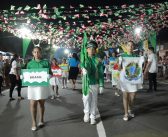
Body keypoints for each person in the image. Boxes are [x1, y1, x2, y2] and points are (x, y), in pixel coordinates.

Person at [27, 46, 51, 131]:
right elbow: (27, 75)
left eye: (38, 52)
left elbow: (50, 73)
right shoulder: (29, 63)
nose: (36, 54)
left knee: (41, 104)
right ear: (33, 53)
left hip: (42, 87)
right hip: (32, 87)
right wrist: (24, 77)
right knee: (32, 104)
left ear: (41, 53)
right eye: (35, 52)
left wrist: (48, 76)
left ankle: (41, 120)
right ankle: (33, 122)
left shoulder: (46, 63)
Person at [119, 41, 143, 121]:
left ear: (133, 47)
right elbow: (118, 68)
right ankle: (126, 113)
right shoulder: (122, 56)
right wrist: (119, 62)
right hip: (125, 79)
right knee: (125, 96)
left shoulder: (137, 56)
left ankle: (130, 109)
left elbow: (139, 67)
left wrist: (143, 60)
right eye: (129, 45)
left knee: (132, 97)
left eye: (132, 45)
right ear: (126, 46)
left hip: (133, 79)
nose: (130, 47)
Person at [81, 40, 104, 125]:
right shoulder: (84, 59)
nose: (91, 50)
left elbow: (101, 73)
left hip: (95, 83)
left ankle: (92, 116)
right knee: (86, 99)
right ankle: (86, 112)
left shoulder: (98, 60)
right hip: (86, 83)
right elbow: (83, 66)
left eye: (93, 49)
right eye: (89, 48)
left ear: (95, 50)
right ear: (86, 50)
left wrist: (102, 85)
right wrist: (83, 68)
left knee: (94, 100)